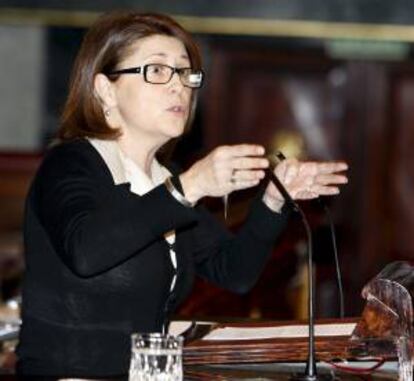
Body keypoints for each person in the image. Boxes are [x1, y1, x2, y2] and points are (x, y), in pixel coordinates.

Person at [16, 11, 348, 379]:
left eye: (185, 73)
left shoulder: (162, 179)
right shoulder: (70, 164)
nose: (180, 87)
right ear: (105, 89)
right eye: (157, 71)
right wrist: (189, 187)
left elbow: (234, 271)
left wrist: (274, 198)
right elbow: (87, 250)